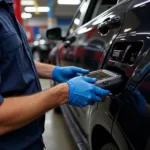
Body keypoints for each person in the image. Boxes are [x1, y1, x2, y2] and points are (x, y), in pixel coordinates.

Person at [0, 0, 110, 149]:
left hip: (28, 138)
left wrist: (54, 71)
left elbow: (12, 60)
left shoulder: (5, 10)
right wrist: (62, 93)